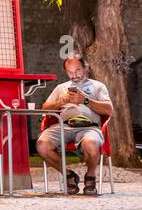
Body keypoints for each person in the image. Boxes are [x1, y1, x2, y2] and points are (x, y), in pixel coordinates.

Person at [39, 51, 113, 195]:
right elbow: (45, 107)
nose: (74, 75)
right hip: (63, 125)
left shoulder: (98, 86)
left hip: (89, 127)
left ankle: (90, 176)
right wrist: (61, 101)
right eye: (70, 72)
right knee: (42, 146)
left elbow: (108, 110)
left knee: (91, 145)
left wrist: (84, 100)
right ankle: (68, 175)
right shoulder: (61, 87)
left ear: (85, 68)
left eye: (77, 70)